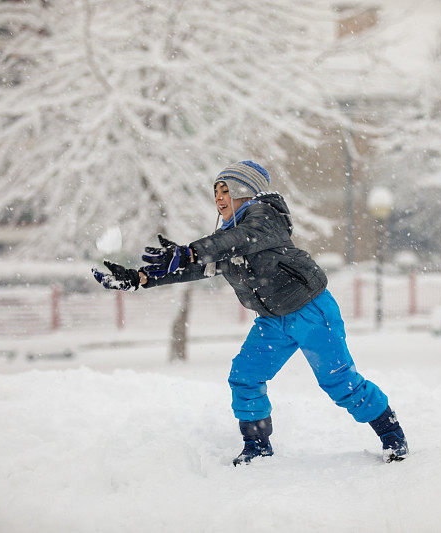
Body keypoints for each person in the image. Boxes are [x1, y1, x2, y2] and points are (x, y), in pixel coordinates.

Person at [92, 161, 408, 465]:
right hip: (272, 322)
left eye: (225, 189)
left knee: (340, 384)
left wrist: (191, 249)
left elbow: (240, 239)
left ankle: (392, 435)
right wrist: (141, 278)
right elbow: (198, 266)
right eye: (215, 191)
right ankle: (256, 446)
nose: (218, 197)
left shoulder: (265, 216)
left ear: (244, 190)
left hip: (311, 312)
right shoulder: (225, 240)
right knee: (245, 377)